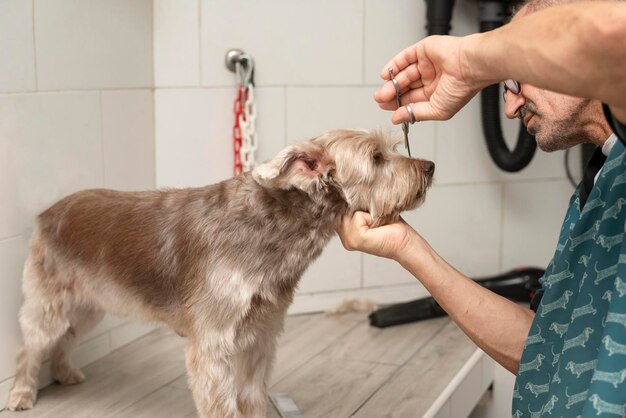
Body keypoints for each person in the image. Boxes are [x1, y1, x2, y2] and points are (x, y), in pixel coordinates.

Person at [338, 0, 626, 416]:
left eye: (514, 80)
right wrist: (407, 247)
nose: (509, 108)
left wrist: (469, 58)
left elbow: (610, 33)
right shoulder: (600, 184)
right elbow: (547, 349)